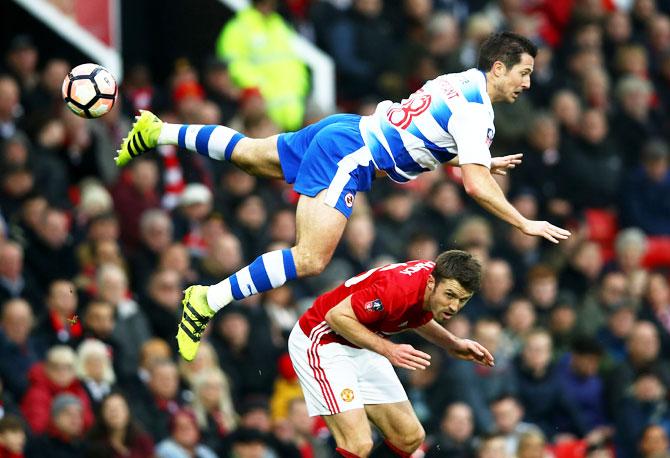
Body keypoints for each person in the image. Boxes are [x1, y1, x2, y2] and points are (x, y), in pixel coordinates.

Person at [115, 32, 571, 361]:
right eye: (524, 73)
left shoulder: (460, 80)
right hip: (351, 156)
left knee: (252, 156)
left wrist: (477, 159)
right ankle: (206, 300)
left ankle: (159, 130)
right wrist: (523, 222)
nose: (527, 83)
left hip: (348, 127)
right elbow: (474, 187)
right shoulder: (477, 113)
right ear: (498, 68)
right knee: (311, 258)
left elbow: (426, 136)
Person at [287, 249, 493, 457]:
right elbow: (337, 317)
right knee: (357, 444)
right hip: (322, 342)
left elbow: (412, 314)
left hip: (362, 341)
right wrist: (389, 349)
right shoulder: (398, 289)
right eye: (450, 295)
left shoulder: (433, 286)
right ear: (431, 282)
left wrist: (452, 343)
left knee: (409, 436)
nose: (454, 306)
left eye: (463, 299)